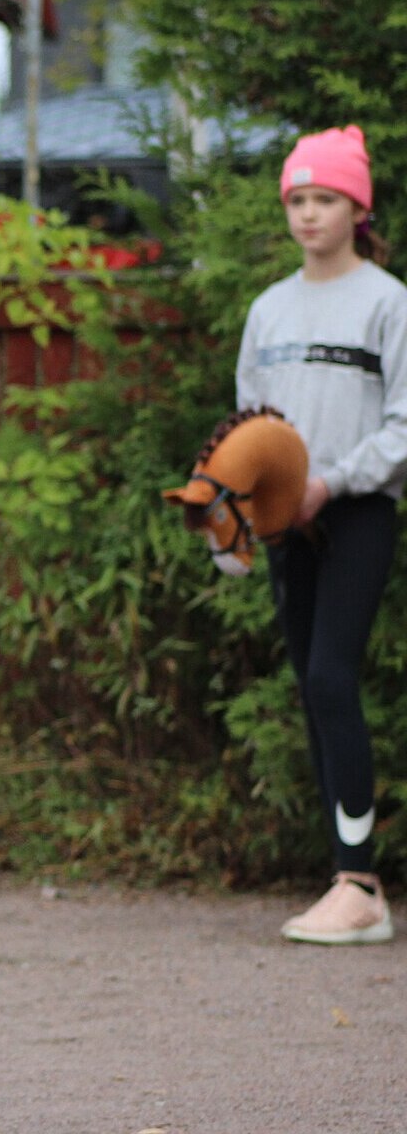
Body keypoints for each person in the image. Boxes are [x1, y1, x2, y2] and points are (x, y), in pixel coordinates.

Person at [237, 124, 405, 944]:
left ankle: (360, 886)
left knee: (334, 676)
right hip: (282, 523)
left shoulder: (387, 302)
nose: (309, 214)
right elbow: (248, 427)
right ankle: (344, 870)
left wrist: (329, 483)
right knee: (311, 684)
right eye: (298, 199)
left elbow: (405, 427)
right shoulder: (269, 308)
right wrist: (238, 511)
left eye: (326, 199)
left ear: (357, 209)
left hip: (356, 513)